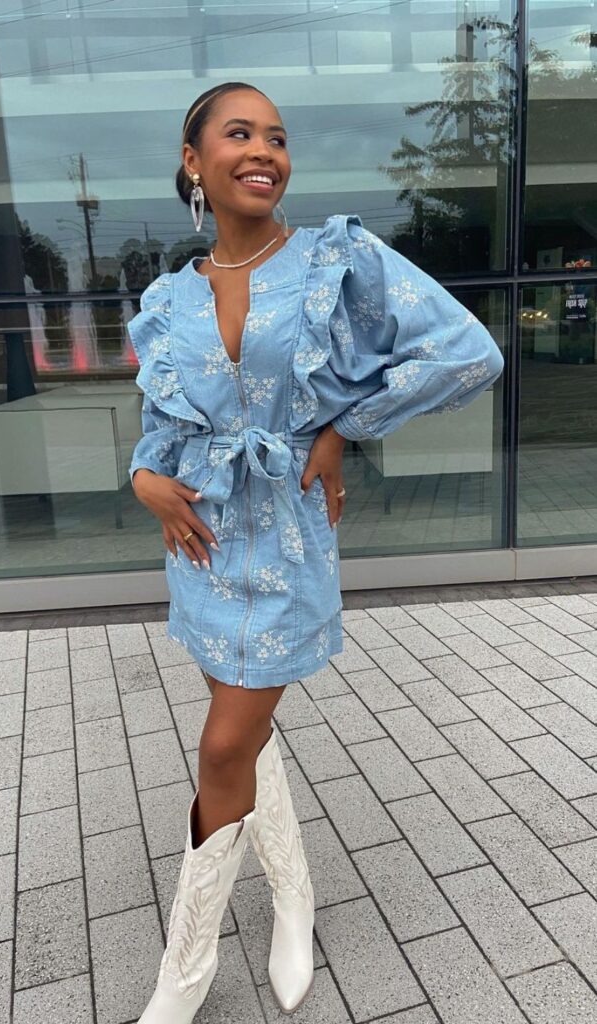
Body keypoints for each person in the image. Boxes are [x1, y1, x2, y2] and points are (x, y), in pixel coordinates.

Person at [128, 82, 504, 1023]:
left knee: (223, 744)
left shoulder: (339, 260)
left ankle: (185, 972)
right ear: (193, 161)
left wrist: (344, 422)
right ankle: (293, 899)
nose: (264, 151)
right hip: (205, 544)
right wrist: (143, 478)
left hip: (289, 545)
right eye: (239, 133)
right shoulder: (170, 296)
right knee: (243, 734)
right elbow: (159, 426)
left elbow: (466, 350)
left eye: (278, 137)